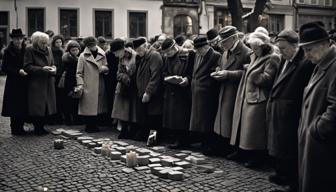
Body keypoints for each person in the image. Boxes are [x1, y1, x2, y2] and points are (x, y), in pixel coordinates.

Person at [267, 29, 314, 192]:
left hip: (293, 111)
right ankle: (283, 174)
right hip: (280, 109)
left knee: (291, 149)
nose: (280, 51)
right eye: (278, 48)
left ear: (296, 46)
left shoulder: (305, 62)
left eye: (284, 48)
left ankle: (292, 182)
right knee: (281, 145)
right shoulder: (283, 58)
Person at [229, 30, 280, 168]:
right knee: (245, 129)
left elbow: (269, 79)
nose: (253, 50)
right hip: (248, 95)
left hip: (259, 98)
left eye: (256, 48)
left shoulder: (272, 58)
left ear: (263, 46)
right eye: (252, 47)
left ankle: (257, 157)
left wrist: (252, 75)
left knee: (255, 131)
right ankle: (245, 153)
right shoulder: (254, 55)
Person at [298, 21, 336, 192]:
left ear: (324, 44)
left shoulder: (333, 66)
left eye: (309, 50)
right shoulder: (321, 63)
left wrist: (317, 129)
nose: (306, 55)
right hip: (314, 142)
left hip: (323, 144)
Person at [211, 26, 252, 156]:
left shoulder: (246, 52)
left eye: (224, 41)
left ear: (234, 38)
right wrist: (218, 70)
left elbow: (248, 73)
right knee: (223, 120)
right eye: (221, 42)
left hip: (236, 92)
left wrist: (228, 74)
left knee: (232, 122)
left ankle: (232, 149)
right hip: (224, 90)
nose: (222, 45)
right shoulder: (225, 52)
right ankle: (222, 146)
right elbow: (222, 65)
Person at [189, 36, 221, 155]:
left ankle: (209, 145)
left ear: (206, 46)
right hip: (197, 92)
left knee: (207, 121)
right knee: (199, 121)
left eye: (199, 49)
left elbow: (214, 74)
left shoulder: (215, 55)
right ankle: (203, 143)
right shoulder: (198, 55)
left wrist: (206, 85)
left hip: (208, 94)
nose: (197, 51)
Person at [161, 38, 194, 149]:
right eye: (165, 53)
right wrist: (167, 78)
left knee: (181, 117)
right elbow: (164, 71)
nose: (166, 55)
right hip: (171, 89)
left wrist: (186, 79)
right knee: (172, 117)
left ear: (174, 48)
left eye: (168, 52)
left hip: (182, 91)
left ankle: (183, 140)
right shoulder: (168, 58)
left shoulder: (187, 55)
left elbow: (191, 72)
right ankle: (175, 138)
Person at [23, 31, 57, 135]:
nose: (45, 45)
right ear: (37, 42)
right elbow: (27, 66)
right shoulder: (30, 50)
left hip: (48, 81)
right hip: (36, 83)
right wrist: (42, 69)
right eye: (42, 43)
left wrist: (54, 68)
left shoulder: (49, 49)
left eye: (46, 43)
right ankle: (38, 128)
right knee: (37, 107)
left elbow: (53, 63)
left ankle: (42, 127)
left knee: (47, 106)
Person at [76, 36, 109, 133]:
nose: (93, 47)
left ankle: (94, 125)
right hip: (88, 84)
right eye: (91, 45)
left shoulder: (102, 54)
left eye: (94, 44)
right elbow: (79, 73)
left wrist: (104, 69)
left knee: (97, 106)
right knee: (89, 107)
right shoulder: (82, 56)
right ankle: (89, 125)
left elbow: (106, 66)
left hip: (99, 83)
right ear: (87, 46)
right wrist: (80, 84)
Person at [134, 37, 163, 141]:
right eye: (136, 51)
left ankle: (153, 140)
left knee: (153, 117)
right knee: (146, 117)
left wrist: (148, 92)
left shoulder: (154, 56)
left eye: (140, 50)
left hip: (152, 94)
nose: (138, 53)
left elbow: (156, 75)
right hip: (144, 92)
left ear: (146, 46)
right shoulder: (144, 57)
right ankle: (147, 137)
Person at [1, 29, 28, 135]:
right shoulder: (8, 51)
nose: (19, 40)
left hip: (24, 81)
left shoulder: (26, 49)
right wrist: (17, 71)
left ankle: (21, 127)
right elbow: (4, 68)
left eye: (20, 38)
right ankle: (14, 128)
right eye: (16, 39)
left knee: (22, 104)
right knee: (13, 106)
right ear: (12, 39)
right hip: (13, 82)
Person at [110, 38, 138, 139]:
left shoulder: (136, 56)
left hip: (133, 88)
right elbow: (118, 73)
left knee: (132, 110)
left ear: (122, 50)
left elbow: (138, 73)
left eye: (116, 53)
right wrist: (125, 77)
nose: (115, 55)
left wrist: (129, 77)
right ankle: (124, 130)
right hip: (123, 87)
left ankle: (132, 131)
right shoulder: (121, 59)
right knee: (123, 110)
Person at [62, 40, 81, 125]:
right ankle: (68, 120)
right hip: (69, 82)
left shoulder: (79, 58)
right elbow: (68, 74)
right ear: (69, 50)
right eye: (73, 50)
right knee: (68, 102)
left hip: (76, 81)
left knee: (75, 102)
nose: (75, 52)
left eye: (76, 50)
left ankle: (76, 119)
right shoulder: (67, 60)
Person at [51, 34, 65, 124]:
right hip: (55, 76)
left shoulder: (63, 51)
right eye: (57, 42)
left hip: (61, 76)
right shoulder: (52, 51)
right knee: (55, 97)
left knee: (61, 97)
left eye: (60, 42)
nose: (59, 44)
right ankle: (55, 117)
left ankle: (60, 116)